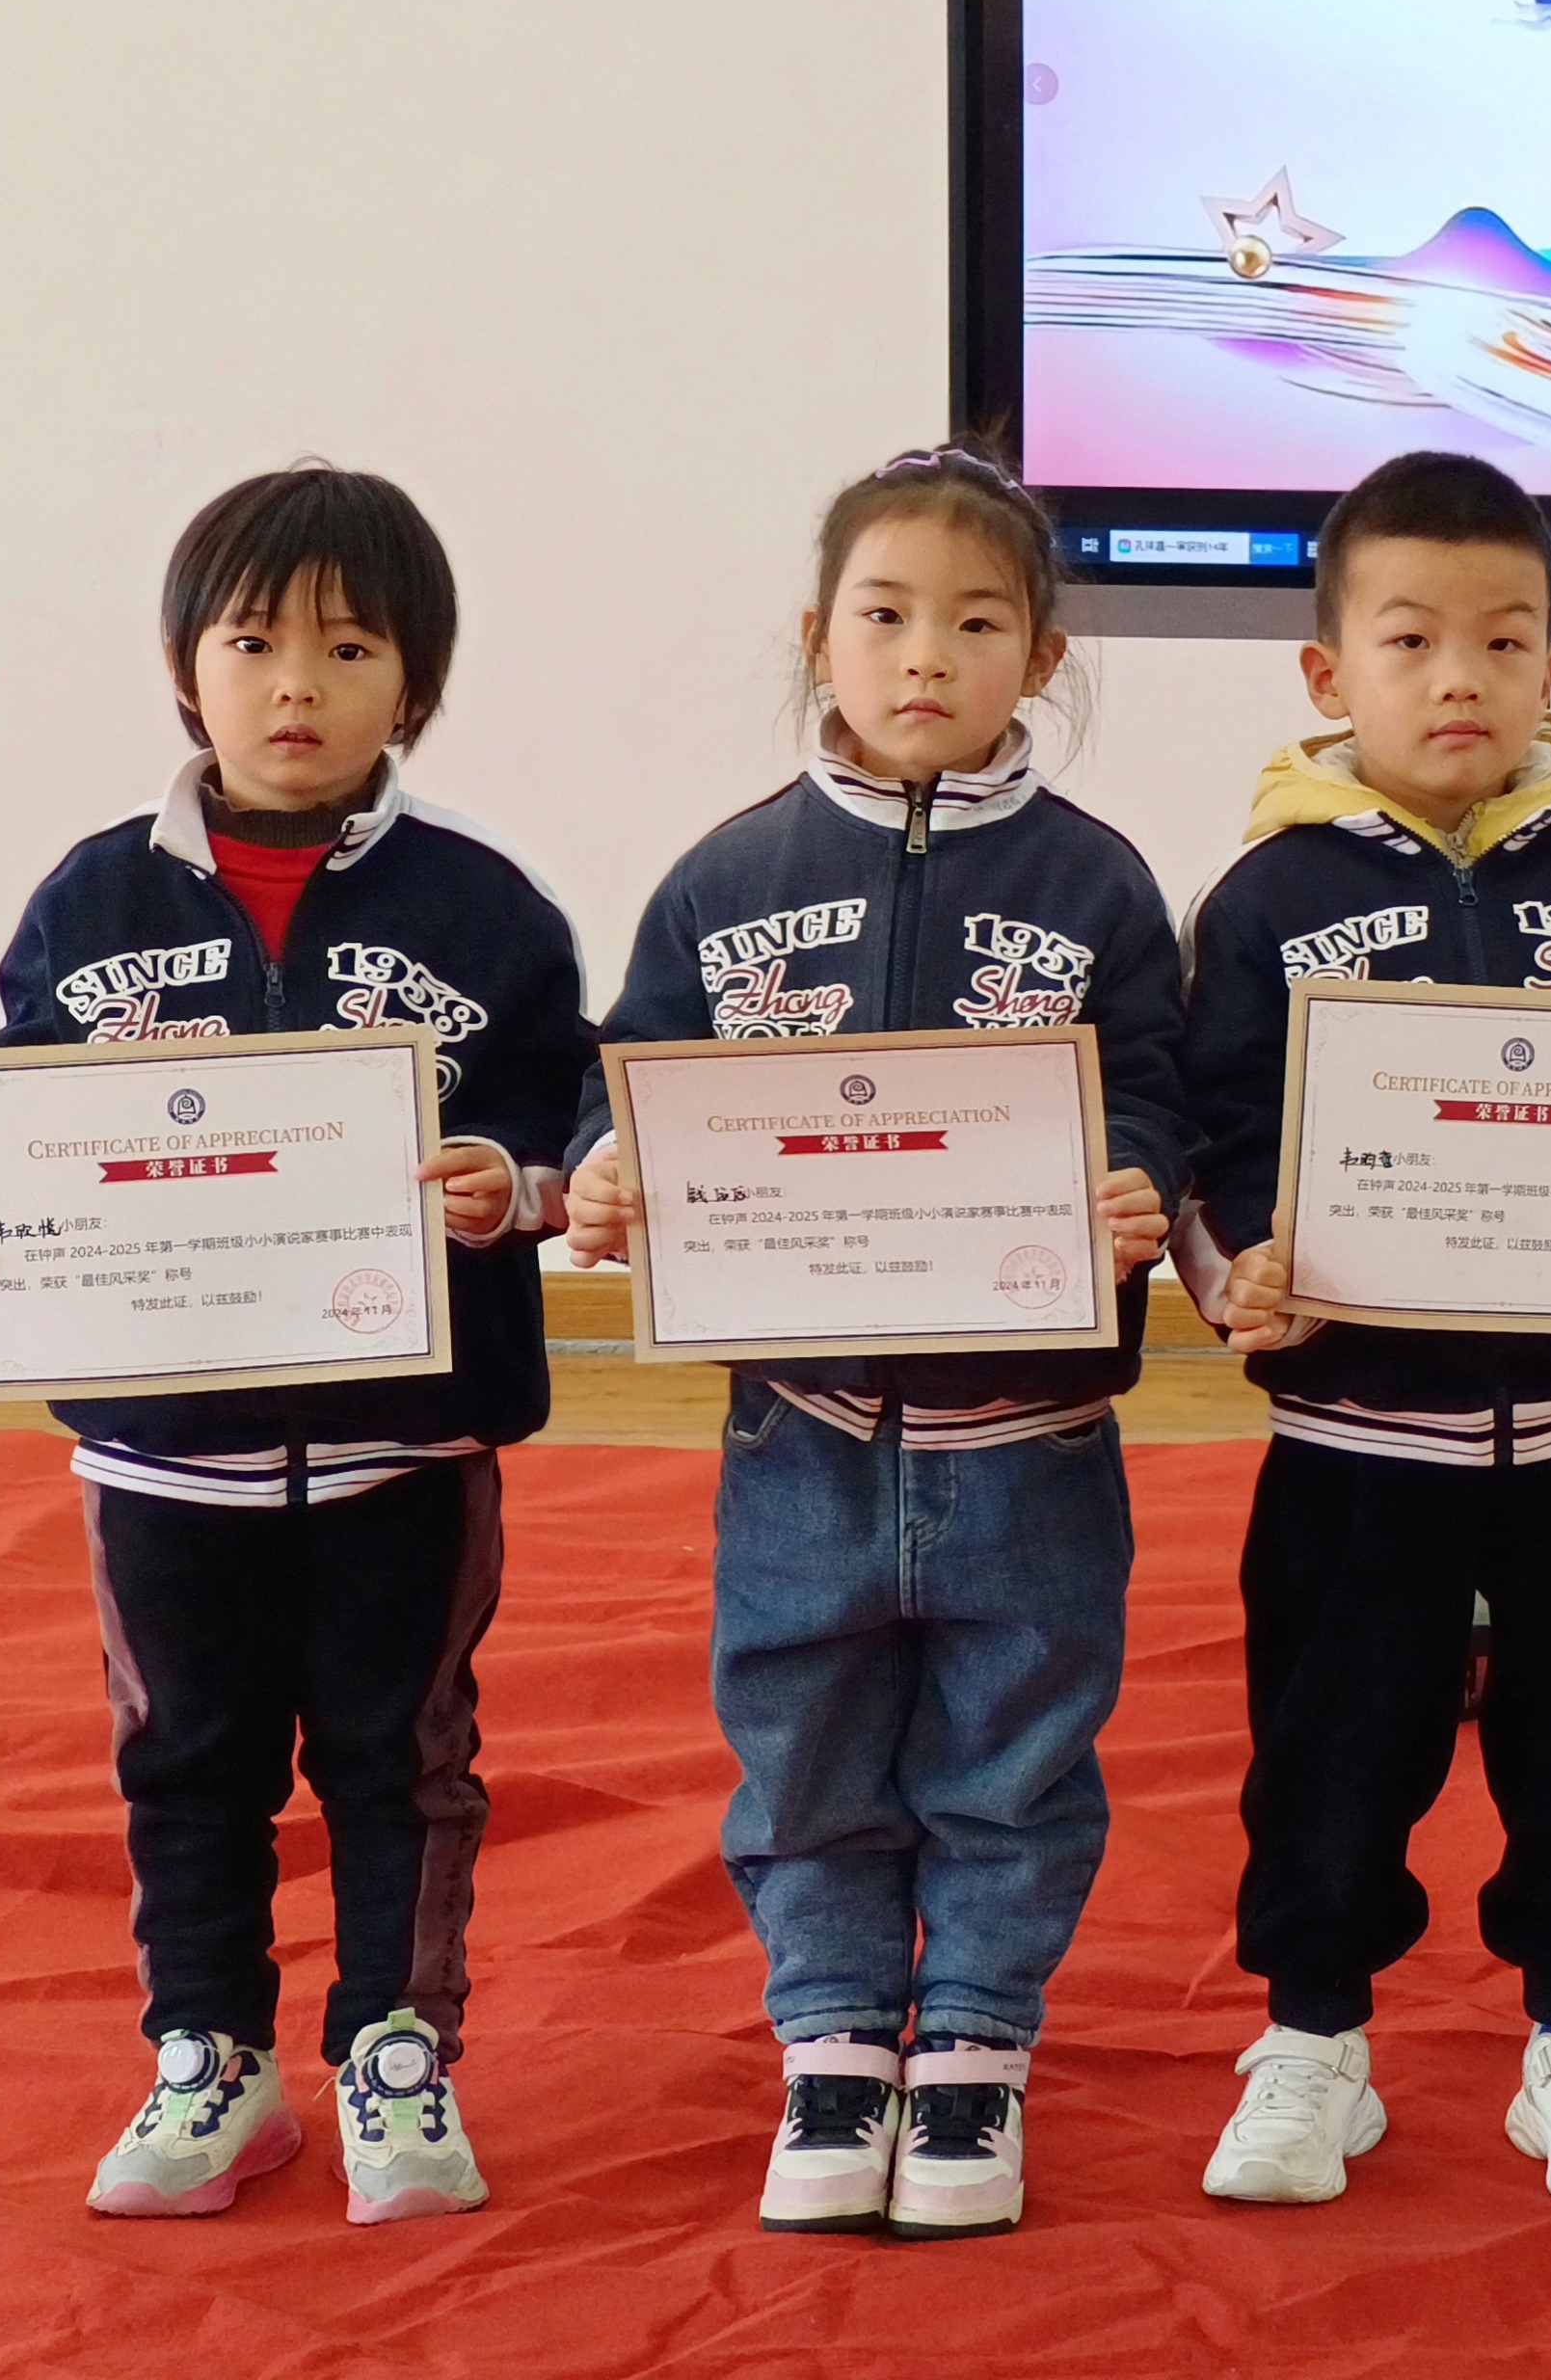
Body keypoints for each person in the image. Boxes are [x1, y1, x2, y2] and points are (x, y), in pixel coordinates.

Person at [0, 467, 589, 2227]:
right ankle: (209, 2050)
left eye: (350, 649)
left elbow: (560, 1113)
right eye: (254, 643)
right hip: (161, 1457)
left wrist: (512, 1182)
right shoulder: (92, 899)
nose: (298, 686)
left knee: (397, 1754)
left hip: (402, 1449)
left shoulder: (488, 907)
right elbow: (14, 1103)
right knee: (184, 1757)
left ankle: (395, 2051)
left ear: (415, 684)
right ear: (182, 670)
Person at [562, 446, 1185, 2243]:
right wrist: (607, 1170)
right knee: (804, 1740)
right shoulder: (729, 873)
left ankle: (977, 2046)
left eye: (978, 623)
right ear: (816, 637)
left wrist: (1139, 1183)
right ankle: (833, 2042)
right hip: (803, 1433)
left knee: (1017, 1752)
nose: (928, 655)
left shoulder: (1097, 884)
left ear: (1041, 658)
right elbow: (638, 1070)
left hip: (1031, 1437)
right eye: (887, 615)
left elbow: (1152, 1087)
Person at [1179, 451, 1551, 2210]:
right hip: (1355, 1443)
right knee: (1328, 1752)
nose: (1461, 678)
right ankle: (1312, 2043)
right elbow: (1215, 1145)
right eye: (1412, 640)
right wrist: (1238, 1279)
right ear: (1329, 673)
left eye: (1505, 641)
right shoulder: (1262, 900)